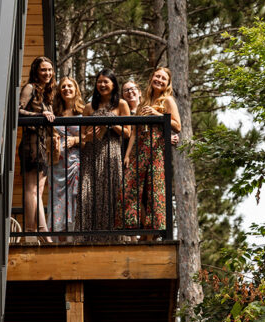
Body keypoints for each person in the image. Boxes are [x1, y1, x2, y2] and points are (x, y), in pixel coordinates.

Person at [123, 67, 181, 233]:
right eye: (157, 76)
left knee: (155, 190)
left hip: (157, 150)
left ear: (167, 83)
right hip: (139, 149)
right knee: (128, 187)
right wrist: (127, 155)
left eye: (163, 78)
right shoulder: (143, 103)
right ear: (151, 78)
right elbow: (134, 132)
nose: (159, 80)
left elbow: (178, 126)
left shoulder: (168, 100)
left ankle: (155, 231)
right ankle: (132, 228)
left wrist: (157, 114)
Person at [77, 68, 130, 240]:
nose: (102, 84)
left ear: (114, 84)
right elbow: (82, 136)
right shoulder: (88, 107)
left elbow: (128, 132)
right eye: (99, 81)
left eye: (106, 81)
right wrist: (88, 137)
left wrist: (111, 124)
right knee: (88, 193)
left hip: (111, 153)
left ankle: (114, 237)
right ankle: (87, 237)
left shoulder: (121, 104)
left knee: (111, 192)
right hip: (91, 154)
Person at [18, 56, 55, 241]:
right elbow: (17, 111)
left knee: (38, 192)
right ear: (36, 71)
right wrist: (39, 114)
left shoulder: (47, 91)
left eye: (49, 70)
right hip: (30, 143)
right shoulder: (30, 87)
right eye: (43, 70)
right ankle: (34, 233)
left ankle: (40, 232)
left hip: (42, 144)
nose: (47, 73)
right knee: (32, 190)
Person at [47, 76, 84, 237]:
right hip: (57, 164)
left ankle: (76, 236)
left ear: (76, 90)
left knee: (76, 196)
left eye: (70, 86)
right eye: (63, 87)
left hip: (76, 161)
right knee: (58, 199)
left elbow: (90, 137)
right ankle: (60, 238)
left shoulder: (84, 112)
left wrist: (76, 139)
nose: (66, 89)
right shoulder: (54, 112)